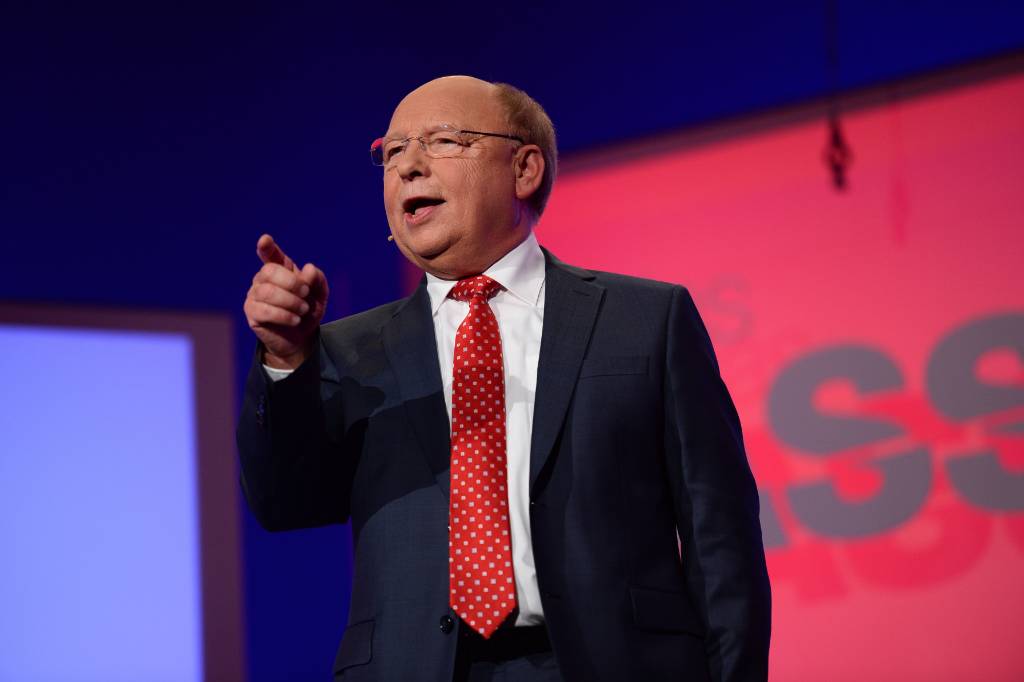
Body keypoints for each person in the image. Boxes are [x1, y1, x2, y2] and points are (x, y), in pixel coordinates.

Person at [237, 75, 770, 682]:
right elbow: (286, 504)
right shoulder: (346, 350)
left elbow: (718, 538)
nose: (408, 167)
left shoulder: (647, 320)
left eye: (442, 141)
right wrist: (285, 360)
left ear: (524, 170)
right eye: (391, 151)